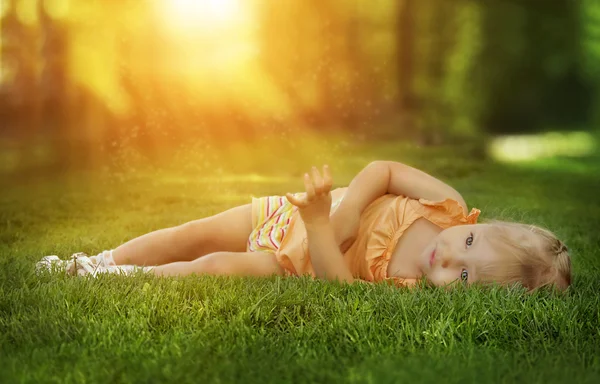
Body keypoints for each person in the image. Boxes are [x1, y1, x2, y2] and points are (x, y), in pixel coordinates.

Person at [37, 161, 572, 291]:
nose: (450, 257)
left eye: (464, 276)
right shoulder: (448, 207)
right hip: (288, 213)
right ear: (482, 224)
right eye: (471, 244)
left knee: (215, 264)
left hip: (295, 254)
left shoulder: (410, 286)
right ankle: (104, 258)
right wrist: (342, 210)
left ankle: (109, 280)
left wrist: (322, 227)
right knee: (192, 231)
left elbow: (334, 281)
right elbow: (382, 170)